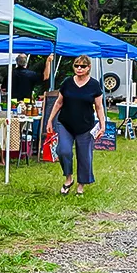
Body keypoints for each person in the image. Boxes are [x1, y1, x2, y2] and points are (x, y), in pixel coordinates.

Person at [45, 55, 107, 196]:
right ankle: (69, 179)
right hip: (65, 123)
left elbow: (99, 107)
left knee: (84, 156)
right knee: (63, 151)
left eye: (82, 66)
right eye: (76, 66)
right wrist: (49, 120)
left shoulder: (94, 85)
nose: (79, 68)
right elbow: (59, 102)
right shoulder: (67, 82)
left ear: (88, 68)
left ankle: (81, 186)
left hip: (85, 126)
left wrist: (102, 125)